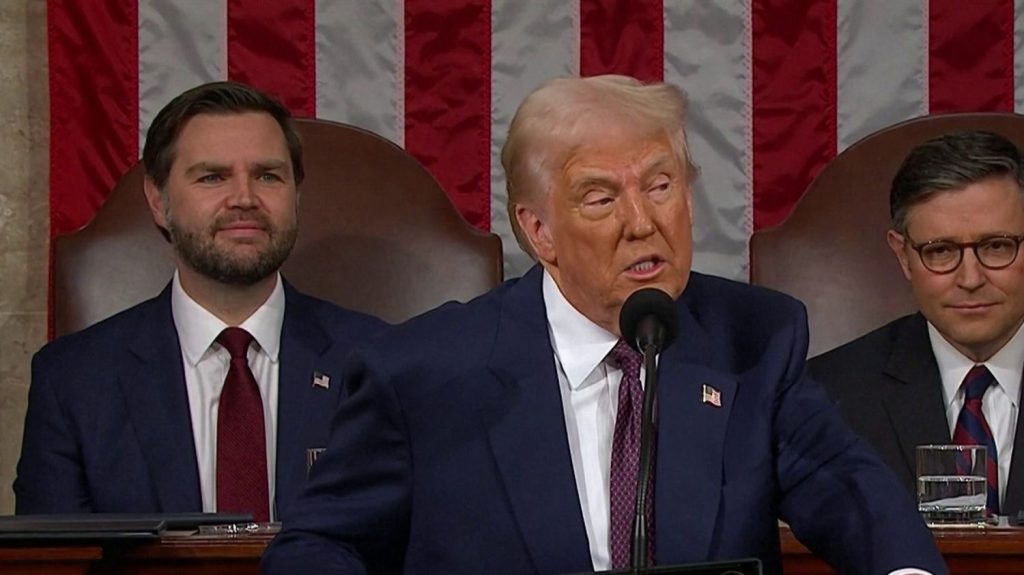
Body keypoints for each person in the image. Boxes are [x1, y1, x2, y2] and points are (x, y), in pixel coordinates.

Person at [262, 75, 945, 574]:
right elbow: (319, 545)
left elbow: (853, 494)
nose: (642, 221)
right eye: (600, 197)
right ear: (538, 231)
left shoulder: (754, 339)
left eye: (660, 184)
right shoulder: (425, 370)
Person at [15, 81, 384, 521]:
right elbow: (52, 565)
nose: (244, 199)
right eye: (213, 177)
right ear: (158, 201)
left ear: (296, 195)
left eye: (268, 175)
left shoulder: (377, 362)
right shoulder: (74, 382)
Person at [810, 130, 1024, 517]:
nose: (971, 278)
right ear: (903, 256)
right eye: (940, 251)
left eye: (997, 246)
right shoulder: (828, 396)